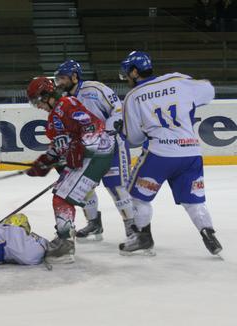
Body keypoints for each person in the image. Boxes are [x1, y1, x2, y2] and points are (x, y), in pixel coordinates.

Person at [118, 50, 222, 256]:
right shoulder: (179, 79)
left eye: (127, 74)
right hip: (191, 152)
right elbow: (208, 91)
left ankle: (143, 238)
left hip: (160, 155)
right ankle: (209, 235)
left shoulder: (133, 96)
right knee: (193, 201)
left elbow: (134, 138)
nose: (126, 78)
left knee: (139, 198)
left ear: (135, 72)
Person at [25, 77, 115, 264]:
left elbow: (92, 126)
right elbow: (59, 146)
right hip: (90, 157)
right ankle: (65, 238)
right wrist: (45, 161)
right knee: (61, 194)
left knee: (61, 197)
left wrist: (82, 148)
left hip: (96, 155)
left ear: (47, 95)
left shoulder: (67, 104)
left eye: (37, 101)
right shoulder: (54, 117)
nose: (38, 106)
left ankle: (65, 244)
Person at [54, 60, 135, 241]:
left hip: (112, 146)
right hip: (88, 149)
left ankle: (133, 226)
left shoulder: (95, 89)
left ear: (75, 77)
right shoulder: (64, 101)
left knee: (116, 187)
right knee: (84, 187)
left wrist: (107, 130)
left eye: (63, 78)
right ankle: (94, 223)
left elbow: (118, 109)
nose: (59, 83)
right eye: (57, 79)